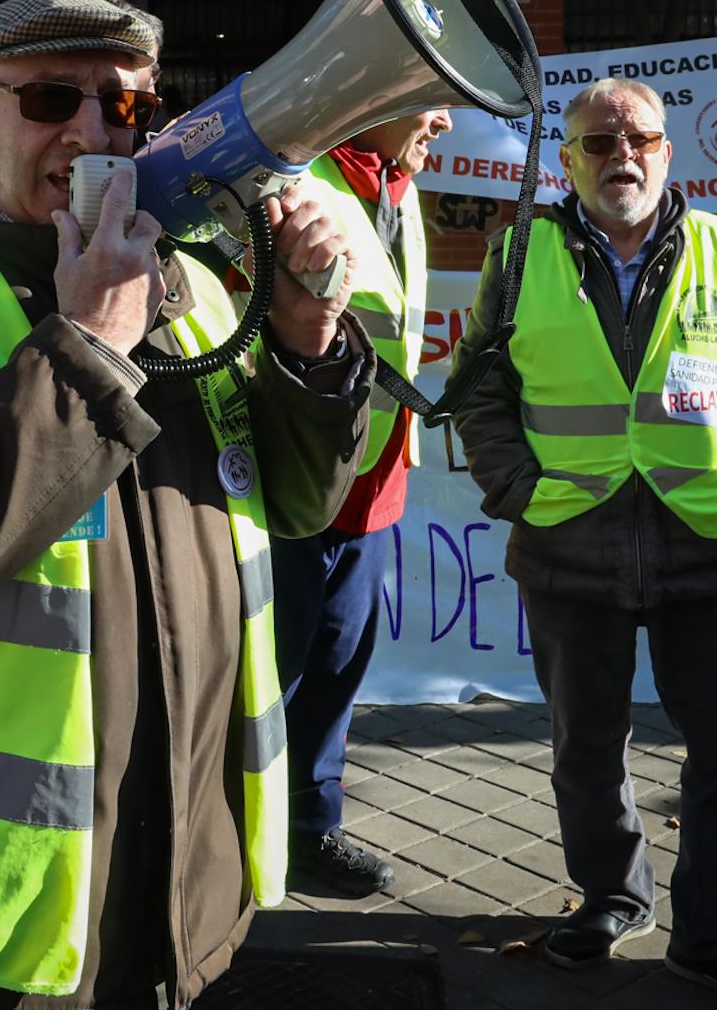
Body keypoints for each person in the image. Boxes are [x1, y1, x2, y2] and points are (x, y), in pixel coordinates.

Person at [0, 0, 377, 1007]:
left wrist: (304, 338)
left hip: (178, 877)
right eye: (50, 99)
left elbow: (296, 502)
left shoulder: (191, 288)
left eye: (125, 107)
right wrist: (86, 345)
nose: (91, 132)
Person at [449, 78, 717, 1010]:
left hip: (708, 546)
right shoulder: (519, 251)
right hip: (568, 548)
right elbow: (479, 388)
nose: (624, 154)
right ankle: (611, 895)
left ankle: (713, 937)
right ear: (567, 160)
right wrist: (518, 489)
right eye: (600, 141)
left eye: (643, 138)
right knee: (585, 747)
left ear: (669, 152)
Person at [273, 108, 452, 899]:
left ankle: (308, 832)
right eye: (433, 97)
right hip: (296, 481)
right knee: (265, 677)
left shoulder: (396, 184)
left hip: (370, 484)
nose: (445, 119)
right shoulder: (292, 180)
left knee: (335, 673)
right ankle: (218, 838)